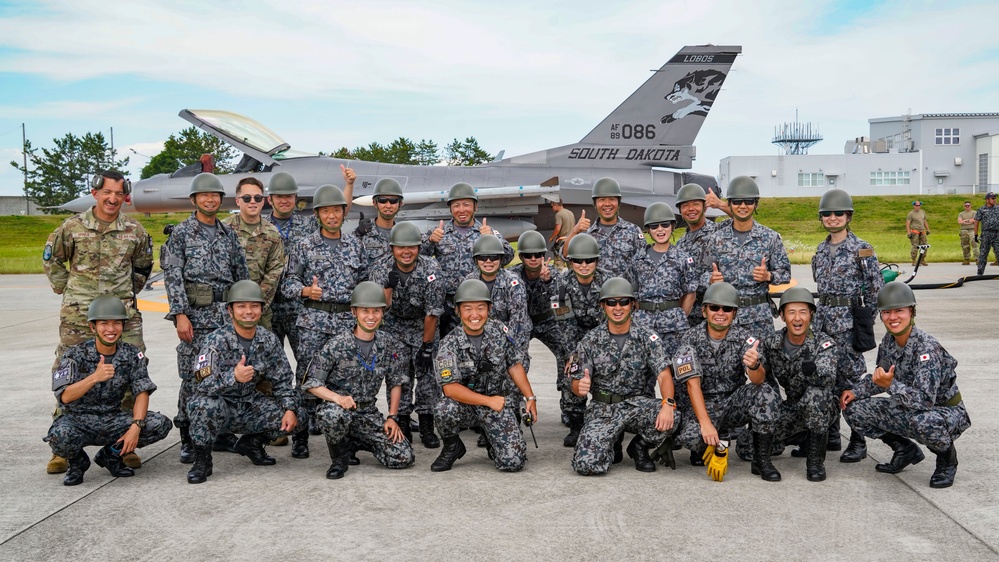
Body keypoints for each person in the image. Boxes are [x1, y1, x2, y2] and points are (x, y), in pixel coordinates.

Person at [42, 169, 153, 474]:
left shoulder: (135, 230)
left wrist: (126, 294)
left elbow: (143, 266)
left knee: (132, 369)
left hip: (123, 316)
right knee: (68, 369)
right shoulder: (72, 227)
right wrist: (69, 289)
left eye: (119, 193)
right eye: (107, 192)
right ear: (95, 193)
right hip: (79, 315)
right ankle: (62, 448)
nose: (113, 199)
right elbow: (52, 259)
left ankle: (124, 443)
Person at [842, 282, 971, 488]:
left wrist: (891, 385)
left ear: (911, 312)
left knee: (923, 422)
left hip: (943, 411)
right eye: (887, 312)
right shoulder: (889, 341)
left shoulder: (927, 348)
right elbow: (880, 378)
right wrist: (855, 392)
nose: (893, 318)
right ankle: (904, 449)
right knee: (853, 408)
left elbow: (924, 401)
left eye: (899, 311)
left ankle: (947, 460)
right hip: (910, 407)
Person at [161, 172, 249, 465]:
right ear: (194, 200)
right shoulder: (181, 234)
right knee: (193, 375)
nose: (210, 199)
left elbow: (241, 277)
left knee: (224, 372)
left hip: (225, 317)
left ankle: (221, 431)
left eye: (215, 195)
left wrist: (241, 314)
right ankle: (188, 437)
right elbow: (172, 276)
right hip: (196, 316)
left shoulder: (229, 234)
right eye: (204, 195)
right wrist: (180, 315)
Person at [185, 280, 305, 484]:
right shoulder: (215, 340)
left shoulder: (268, 340)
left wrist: (289, 408)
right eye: (241, 306)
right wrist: (233, 376)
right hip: (221, 408)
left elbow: (283, 379)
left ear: (261, 309)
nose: (248, 311)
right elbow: (201, 382)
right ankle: (202, 461)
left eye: (254, 306)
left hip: (249, 405)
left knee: (298, 415)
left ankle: (251, 444)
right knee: (202, 405)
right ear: (230, 310)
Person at [45, 296, 172, 486]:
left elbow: (142, 391)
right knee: (59, 436)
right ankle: (78, 463)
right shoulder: (73, 354)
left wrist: (135, 427)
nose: (111, 329)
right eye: (104, 323)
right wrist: (94, 377)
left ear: (123, 326)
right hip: (79, 421)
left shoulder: (131, 354)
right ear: (92, 327)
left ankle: (111, 455)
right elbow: (64, 396)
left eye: (116, 323)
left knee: (158, 424)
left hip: (112, 419)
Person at [281, 183, 368, 459]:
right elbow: (288, 283)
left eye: (337, 211)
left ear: (344, 213)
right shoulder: (304, 246)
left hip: (345, 322)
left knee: (345, 380)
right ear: (318, 214)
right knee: (306, 379)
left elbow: (364, 284)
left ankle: (345, 441)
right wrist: (306, 291)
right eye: (326, 211)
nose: (332, 216)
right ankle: (300, 437)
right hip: (313, 321)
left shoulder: (356, 245)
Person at [302, 282, 415, 479]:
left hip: (367, 412)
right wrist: (337, 399)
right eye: (365, 311)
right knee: (331, 415)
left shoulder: (387, 343)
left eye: (376, 311)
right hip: (340, 409)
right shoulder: (336, 345)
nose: (371, 317)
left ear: (382, 313)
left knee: (403, 457)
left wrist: (392, 417)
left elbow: (395, 382)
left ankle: (356, 441)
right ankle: (339, 458)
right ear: (354, 312)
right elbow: (312, 383)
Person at [568, 277, 680, 475]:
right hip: (603, 409)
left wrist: (668, 404)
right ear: (603, 305)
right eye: (611, 302)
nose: (617, 307)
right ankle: (612, 443)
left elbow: (664, 375)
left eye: (623, 302)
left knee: (675, 415)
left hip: (638, 406)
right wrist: (580, 387)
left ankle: (639, 446)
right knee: (586, 466)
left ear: (632, 305)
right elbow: (576, 383)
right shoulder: (590, 340)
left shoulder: (647, 337)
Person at [673, 282, 783, 481]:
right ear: (704, 311)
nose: (720, 313)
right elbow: (692, 384)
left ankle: (761, 460)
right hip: (701, 405)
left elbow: (758, 380)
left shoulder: (745, 339)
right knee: (691, 437)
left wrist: (754, 365)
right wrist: (706, 425)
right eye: (714, 307)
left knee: (765, 392)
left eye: (727, 309)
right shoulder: (689, 338)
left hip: (732, 403)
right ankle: (713, 441)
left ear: (735, 313)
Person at [430, 279, 538, 473]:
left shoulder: (499, 331)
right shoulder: (449, 344)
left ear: (489, 309)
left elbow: (514, 364)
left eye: (480, 308)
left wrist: (530, 397)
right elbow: (450, 388)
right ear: (458, 311)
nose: (474, 315)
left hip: (496, 405)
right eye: (468, 309)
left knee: (512, 462)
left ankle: (491, 438)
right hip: (466, 405)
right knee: (443, 408)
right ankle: (452, 446)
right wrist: (488, 401)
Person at [810, 188, 883, 462]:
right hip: (823, 321)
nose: (832, 218)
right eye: (827, 214)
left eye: (838, 213)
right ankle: (830, 433)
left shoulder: (861, 249)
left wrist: (865, 322)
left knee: (851, 381)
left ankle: (858, 439)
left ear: (848, 216)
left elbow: (876, 288)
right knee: (824, 377)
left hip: (849, 322)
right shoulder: (819, 249)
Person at [368, 222, 446, 448]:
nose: (406, 252)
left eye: (412, 247)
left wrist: (427, 346)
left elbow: (433, 312)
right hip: (393, 329)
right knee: (398, 377)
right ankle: (401, 422)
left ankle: (427, 426)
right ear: (392, 248)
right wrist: (388, 288)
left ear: (419, 248)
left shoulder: (431, 270)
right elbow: (380, 310)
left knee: (428, 377)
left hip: (424, 327)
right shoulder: (381, 270)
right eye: (401, 247)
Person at [752, 288, 838, 482]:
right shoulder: (772, 342)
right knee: (746, 447)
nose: (797, 318)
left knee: (817, 394)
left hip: (820, 408)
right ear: (782, 316)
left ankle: (815, 460)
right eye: (791, 312)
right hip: (792, 408)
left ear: (811, 315)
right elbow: (762, 379)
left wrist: (813, 371)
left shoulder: (824, 344)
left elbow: (828, 380)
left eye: (803, 312)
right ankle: (802, 436)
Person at [420, 182, 514, 338]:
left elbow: (508, 257)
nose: (461, 210)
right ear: (450, 208)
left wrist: (492, 237)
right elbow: (416, 258)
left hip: (476, 306)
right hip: (446, 307)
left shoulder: (486, 232)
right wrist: (430, 240)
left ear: (475, 207)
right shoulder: (439, 232)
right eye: (456, 205)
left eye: (466, 204)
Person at [701, 176, 791, 338]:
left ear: (755, 204)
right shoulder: (717, 239)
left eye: (748, 201)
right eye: (736, 201)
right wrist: (710, 279)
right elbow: (701, 274)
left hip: (759, 319)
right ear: (729, 204)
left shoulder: (770, 237)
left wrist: (768, 276)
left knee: (759, 362)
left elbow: (785, 274)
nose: (743, 206)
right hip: (726, 317)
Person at [509, 230, 577, 439]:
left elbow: (563, 308)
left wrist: (548, 283)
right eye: (528, 255)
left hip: (549, 320)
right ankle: (513, 410)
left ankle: (570, 408)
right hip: (523, 323)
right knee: (513, 360)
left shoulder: (554, 274)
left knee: (569, 354)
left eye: (537, 254)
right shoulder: (512, 276)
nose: (533, 259)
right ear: (521, 257)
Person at [627, 202, 697, 393]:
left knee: (680, 374)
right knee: (643, 375)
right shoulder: (638, 259)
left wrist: (678, 316)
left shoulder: (682, 258)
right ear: (648, 230)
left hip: (675, 326)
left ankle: (679, 416)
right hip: (644, 324)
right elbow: (634, 295)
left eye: (665, 224)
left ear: (672, 226)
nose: (660, 230)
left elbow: (690, 293)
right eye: (654, 226)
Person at [553, 233, 613, 449]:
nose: (584, 265)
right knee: (571, 373)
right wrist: (574, 354)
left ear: (597, 261)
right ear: (571, 262)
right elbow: (563, 322)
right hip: (573, 338)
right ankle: (576, 424)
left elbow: (613, 318)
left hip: (603, 339)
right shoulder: (560, 284)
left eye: (589, 260)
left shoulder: (609, 281)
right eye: (578, 260)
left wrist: (600, 348)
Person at [264, 171, 317, 365]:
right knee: (271, 362)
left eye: (288, 196)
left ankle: (307, 397)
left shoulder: (309, 225)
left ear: (295, 198)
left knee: (307, 361)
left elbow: (337, 215)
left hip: (298, 306)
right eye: (279, 196)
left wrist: (349, 185)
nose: (284, 200)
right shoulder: (261, 226)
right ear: (270, 199)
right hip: (269, 305)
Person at [223, 178, 286, 330]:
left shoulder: (272, 233)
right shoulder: (224, 229)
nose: (252, 202)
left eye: (257, 198)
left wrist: (255, 303)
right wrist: (234, 305)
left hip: (260, 311)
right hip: (228, 309)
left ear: (263, 201)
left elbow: (275, 271)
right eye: (247, 198)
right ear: (238, 201)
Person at [562, 177, 645, 279]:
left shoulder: (633, 231)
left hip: (625, 292)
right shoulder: (588, 235)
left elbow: (644, 264)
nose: (607, 204)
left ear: (618, 203)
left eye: (612, 199)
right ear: (595, 204)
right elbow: (566, 255)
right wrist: (575, 231)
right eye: (602, 199)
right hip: (597, 293)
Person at [675, 183, 718, 327]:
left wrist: (721, 205)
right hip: (690, 318)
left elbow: (744, 223)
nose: (691, 209)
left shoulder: (720, 233)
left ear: (705, 207)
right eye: (685, 205)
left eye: (695, 204)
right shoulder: (680, 245)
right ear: (680, 210)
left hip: (716, 314)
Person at [355, 178, 405, 266]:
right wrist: (357, 233)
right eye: (383, 200)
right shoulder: (364, 234)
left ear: (400, 204)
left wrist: (432, 240)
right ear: (374, 203)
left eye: (393, 201)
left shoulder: (405, 234)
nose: (388, 205)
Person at [975, 192, 999, 275]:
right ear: (987, 200)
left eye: (995, 198)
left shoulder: (998, 208)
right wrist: (976, 235)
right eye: (993, 198)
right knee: (983, 254)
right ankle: (980, 272)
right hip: (986, 234)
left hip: (997, 234)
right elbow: (976, 222)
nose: (995, 200)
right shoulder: (981, 210)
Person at [547, 198, 575, 270]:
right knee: (572, 267)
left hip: (562, 243)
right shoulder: (570, 213)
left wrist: (552, 237)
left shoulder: (559, 214)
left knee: (558, 268)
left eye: (552, 206)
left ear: (556, 205)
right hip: (571, 242)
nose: (552, 208)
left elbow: (558, 228)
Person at [906, 201, 930, 266]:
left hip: (922, 231)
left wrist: (927, 229)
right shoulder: (911, 214)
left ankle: (922, 260)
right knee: (915, 246)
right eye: (916, 205)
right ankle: (914, 260)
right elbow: (908, 223)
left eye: (919, 205)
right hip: (915, 232)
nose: (918, 207)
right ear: (914, 206)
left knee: (924, 245)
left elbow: (924, 221)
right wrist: (909, 233)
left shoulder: (922, 212)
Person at [958, 201, 979, 265]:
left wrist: (965, 221)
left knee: (974, 244)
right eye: (966, 205)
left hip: (972, 230)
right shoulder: (961, 214)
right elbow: (959, 221)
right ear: (964, 206)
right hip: (963, 230)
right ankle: (966, 259)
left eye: (968, 205)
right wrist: (969, 221)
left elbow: (974, 220)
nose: (967, 206)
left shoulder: (974, 212)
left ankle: (977, 259)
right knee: (965, 245)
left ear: (971, 206)